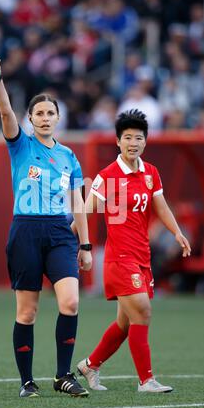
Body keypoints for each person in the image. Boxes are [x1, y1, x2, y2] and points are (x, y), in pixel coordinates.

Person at [0, 48, 92, 398]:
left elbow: (78, 203)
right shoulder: (21, 146)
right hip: (25, 231)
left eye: (50, 113)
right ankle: (27, 382)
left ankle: (63, 375)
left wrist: (85, 245)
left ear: (58, 118)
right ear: (30, 119)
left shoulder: (68, 156)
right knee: (27, 312)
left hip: (60, 233)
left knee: (71, 302)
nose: (45, 118)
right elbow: (4, 109)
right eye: (39, 113)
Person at [73, 109, 191, 393]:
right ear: (118, 141)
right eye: (127, 137)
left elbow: (160, 207)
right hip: (119, 258)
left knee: (125, 324)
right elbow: (85, 212)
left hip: (142, 257)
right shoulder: (107, 176)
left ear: (145, 142)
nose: (133, 142)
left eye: (138, 137)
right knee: (143, 311)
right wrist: (74, 242)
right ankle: (146, 380)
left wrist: (177, 232)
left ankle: (90, 365)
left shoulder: (151, 173)